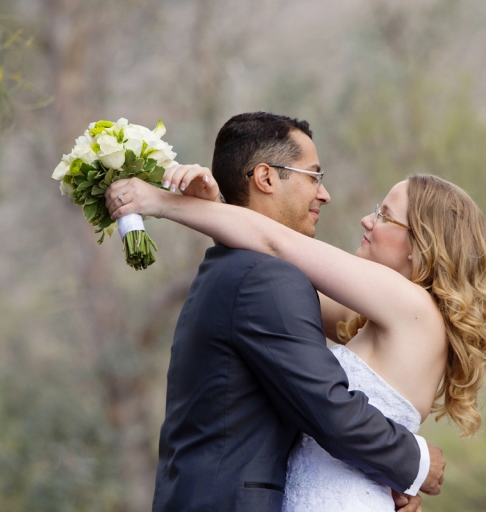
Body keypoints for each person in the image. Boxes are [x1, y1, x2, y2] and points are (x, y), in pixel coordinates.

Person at [106, 112, 445, 512]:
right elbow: (327, 408)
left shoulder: (238, 269)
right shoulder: (266, 278)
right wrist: (415, 463)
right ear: (266, 178)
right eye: (313, 177)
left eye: (385, 215)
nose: (326, 195)